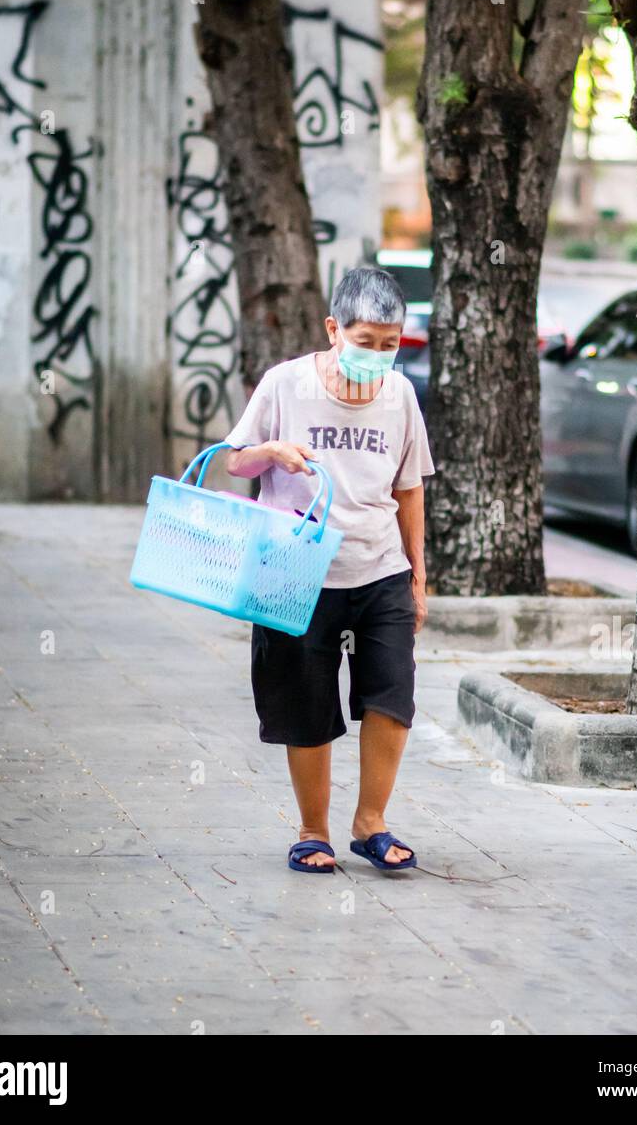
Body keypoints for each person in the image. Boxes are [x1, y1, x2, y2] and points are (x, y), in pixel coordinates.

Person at [224, 266, 435, 874]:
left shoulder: (400, 396)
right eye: (365, 341)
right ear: (333, 328)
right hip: (294, 569)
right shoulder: (285, 384)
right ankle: (313, 830)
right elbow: (235, 461)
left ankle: (371, 822)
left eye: (390, 344)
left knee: (392, 694)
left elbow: (410, 488)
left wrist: (418, 577)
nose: (377, 355)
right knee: (305, 700)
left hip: (379, 567)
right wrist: (271, 452)